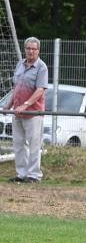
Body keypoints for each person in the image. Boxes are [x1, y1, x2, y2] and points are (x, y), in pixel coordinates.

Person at [4, 37, 48, 184]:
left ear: (38, 51)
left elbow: (40, 90)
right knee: (18, 144)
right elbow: (16, 88)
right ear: (25, 49)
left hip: (33, 113)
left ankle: (34, 176)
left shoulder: (42, 67)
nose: (30, 51)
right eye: (28, 48)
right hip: (17, 112)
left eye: (33, 49)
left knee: (34, 145)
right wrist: (8, 105)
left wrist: (26, 104)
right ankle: (21, 174)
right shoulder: (20, 65)